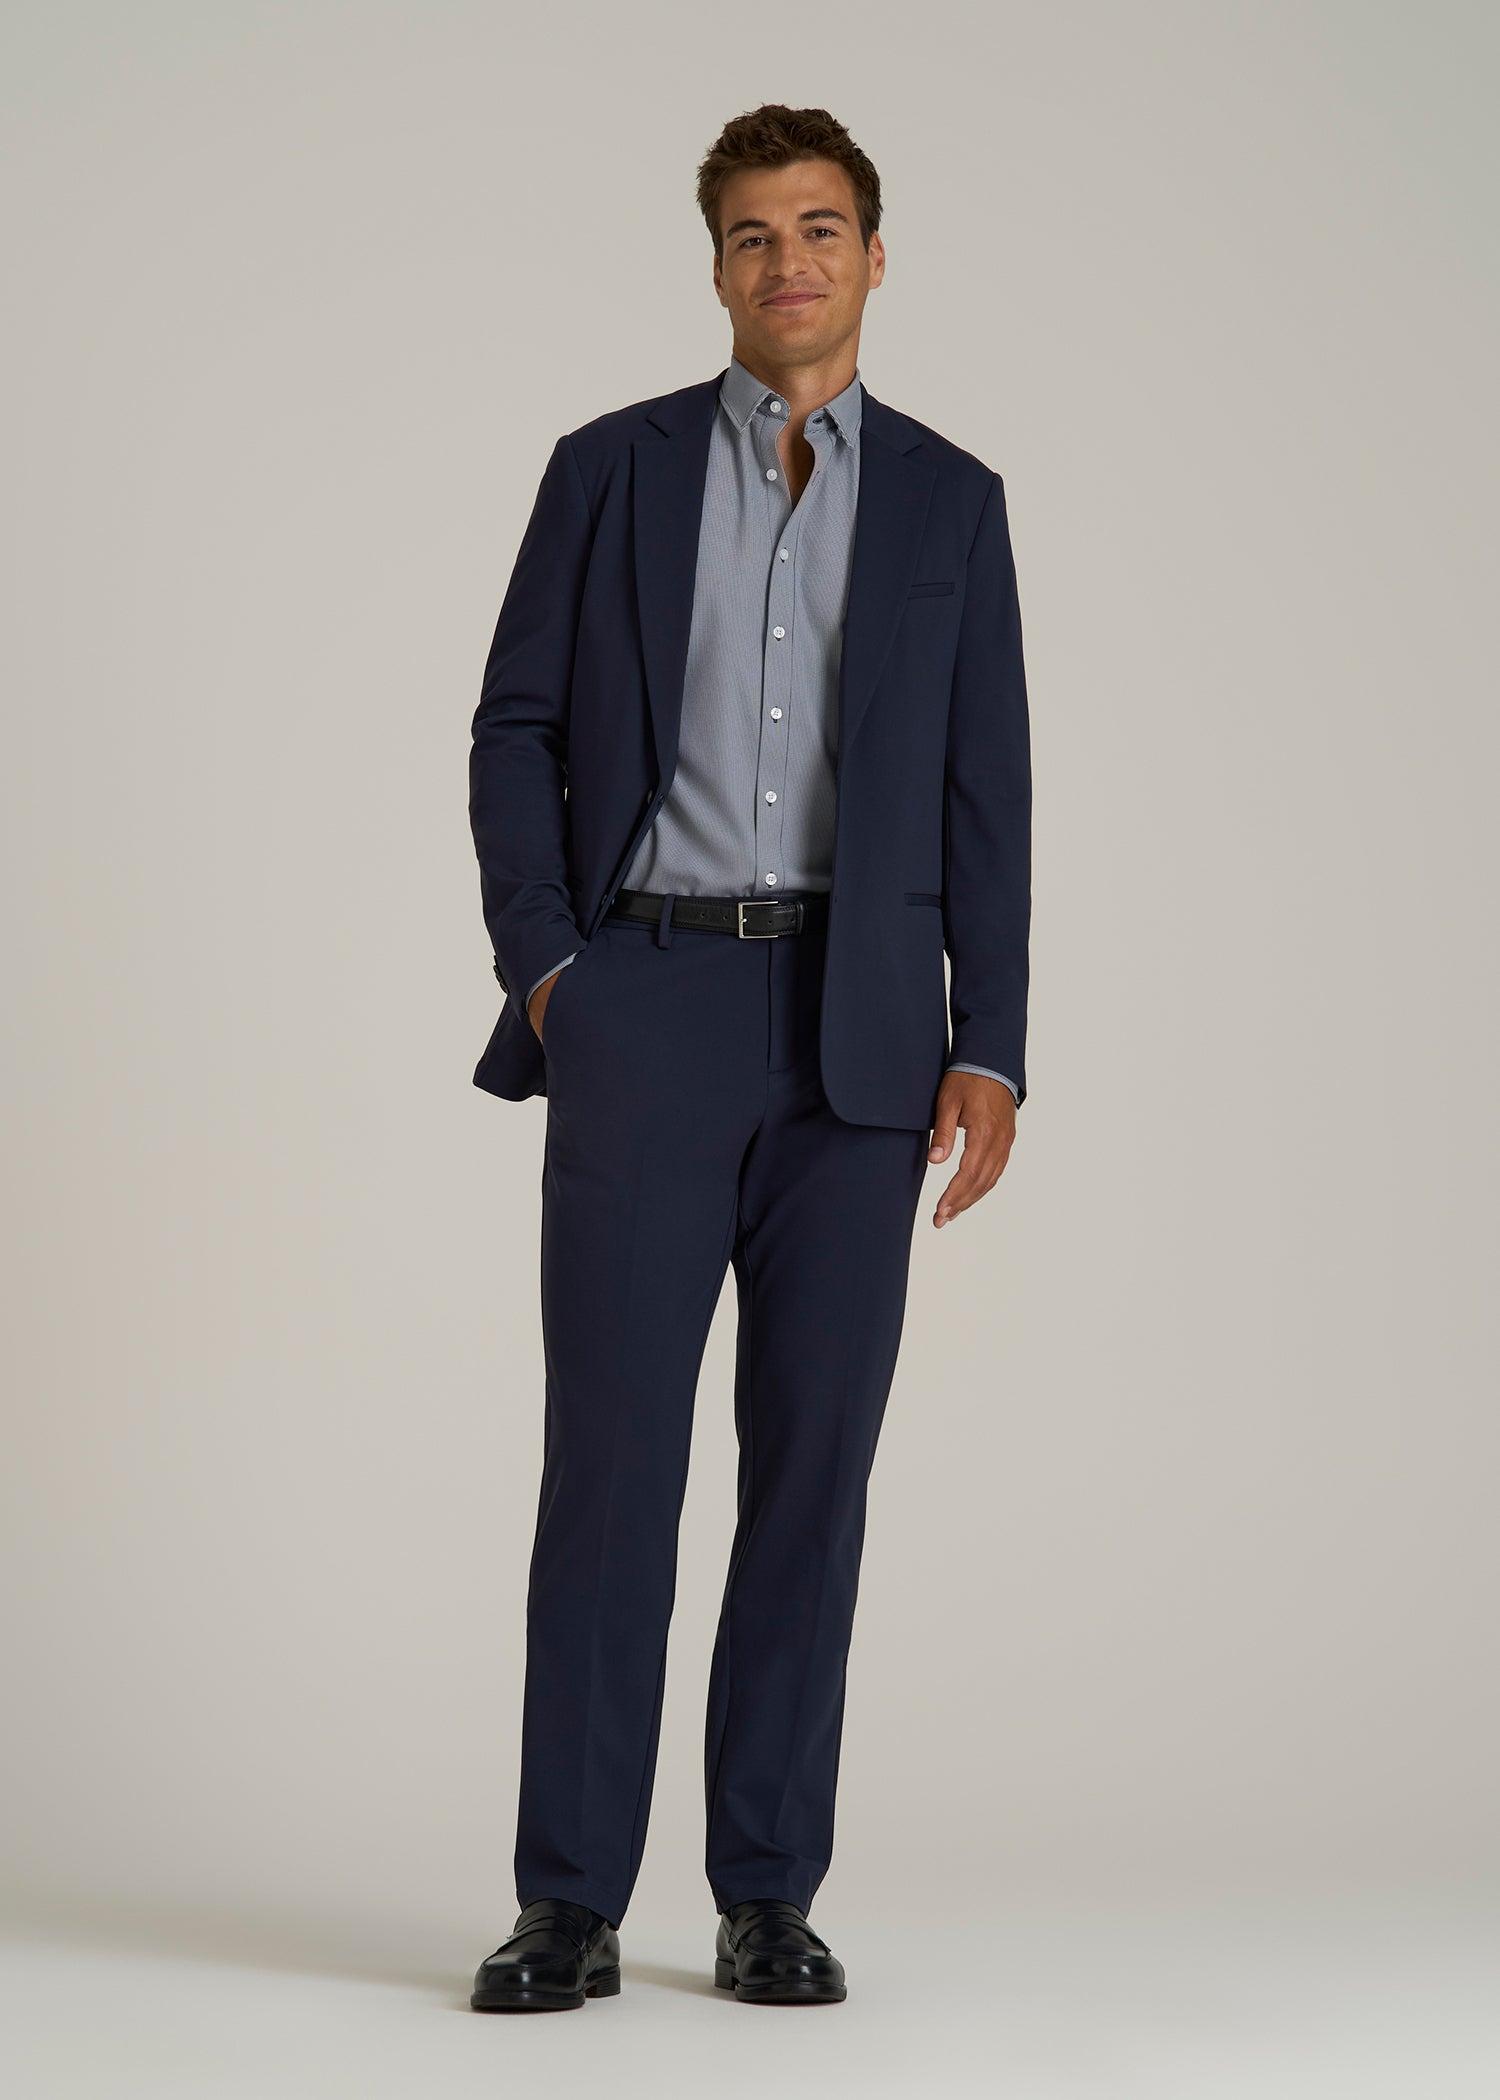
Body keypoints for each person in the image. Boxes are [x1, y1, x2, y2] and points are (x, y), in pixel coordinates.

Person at [467, 101, 1031, 2013]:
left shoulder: (954, 501)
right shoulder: (608, 471)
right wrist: (555, 972)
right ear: (715, 266)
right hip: (647, 1004)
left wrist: (992, 1043)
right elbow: (515, 726)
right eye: (752, 234)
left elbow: (988, 791)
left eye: (820, 227)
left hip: (859, 1043)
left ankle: (766, 1893)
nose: (788, 261)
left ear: (875, 253)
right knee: (611, 1470)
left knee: (812, 1475)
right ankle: (567, 1902)